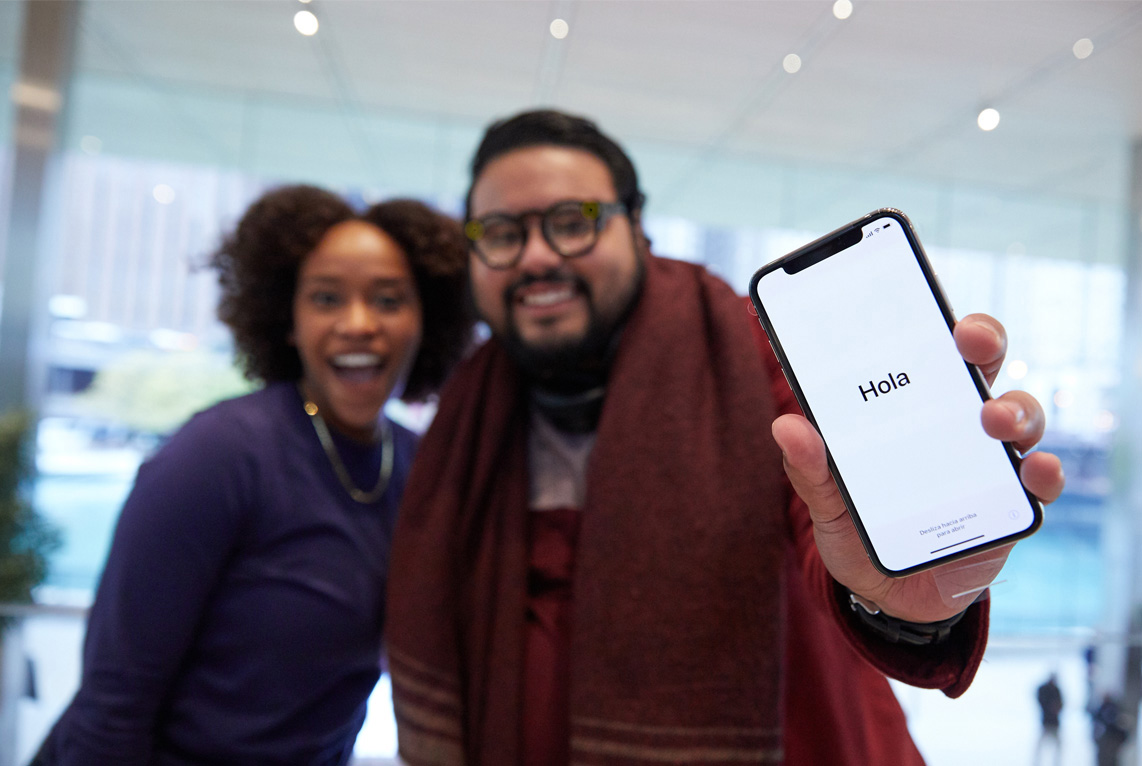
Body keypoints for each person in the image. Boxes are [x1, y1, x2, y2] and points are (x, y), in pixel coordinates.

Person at [385, 109, 1066, 766]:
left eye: (572, 222)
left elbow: (826, 518)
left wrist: (900, 600)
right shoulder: (466, 412)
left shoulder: (752, 354)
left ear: (637, 226)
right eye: (501, 232)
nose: (536, 257)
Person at [34, 185, 472, 765]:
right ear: (288, 320)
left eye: (389, 300)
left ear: (427, 319)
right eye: (326, 298)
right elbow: (114, 700)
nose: (359, 323)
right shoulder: (219, 454)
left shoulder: (421, 469)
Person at [1034, 672, 1063, 766]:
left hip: (1055, 723)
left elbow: (1061, 704)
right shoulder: (1044, 689)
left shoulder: (1056, 690)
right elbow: (1041, 700)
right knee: (1039, 746)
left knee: (1058, 746)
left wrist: (1056, 707)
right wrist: (1050, 707)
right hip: (1046, 722)